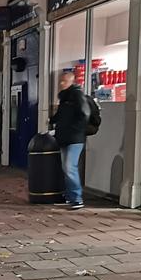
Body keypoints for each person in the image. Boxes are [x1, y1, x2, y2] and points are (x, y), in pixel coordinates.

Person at [50, 70, 89, 210]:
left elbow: (85, 114)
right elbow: (61, 115)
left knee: (69, 167)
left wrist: (75, 129)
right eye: (61, 81)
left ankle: (77, 198)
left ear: (72, 81)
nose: (61, 83)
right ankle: (69, 197)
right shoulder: (64, 97)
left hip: (75, 138)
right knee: (66, 168)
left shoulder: (77, 95)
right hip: (64, 137)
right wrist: (52, 120)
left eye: (64, 81)